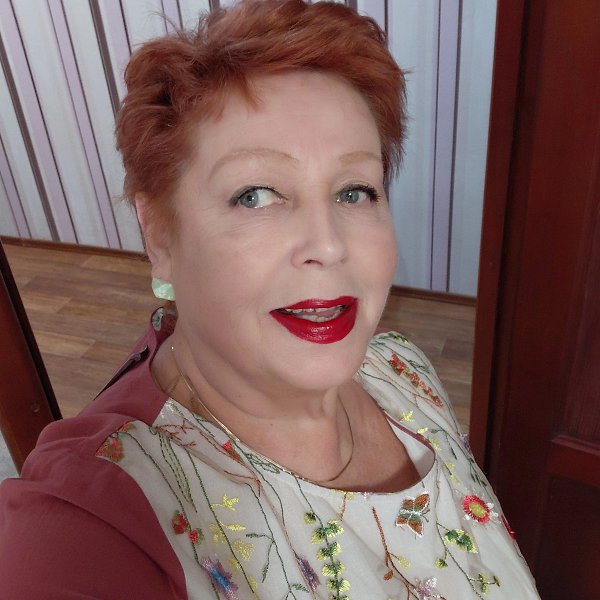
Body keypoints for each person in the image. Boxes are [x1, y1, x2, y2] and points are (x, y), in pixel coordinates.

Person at [0, 1, 540, 598]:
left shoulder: (404, 371)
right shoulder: (96, 518)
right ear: (160, 236)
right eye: (256, 195)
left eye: (355, 191)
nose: (328, 245)